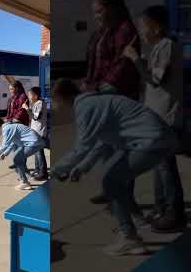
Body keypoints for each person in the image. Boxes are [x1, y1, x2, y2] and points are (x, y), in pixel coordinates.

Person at [51, 79, 178, 256]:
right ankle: (137, 221)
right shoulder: (93, 103)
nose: (55, 107)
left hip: (150, 141)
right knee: (114, 178)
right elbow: (101, 143)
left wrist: (55, 170)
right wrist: (82, 167)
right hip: (151, 139)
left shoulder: (85, 107)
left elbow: (82, 148)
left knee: (111, 181)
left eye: (54, 102)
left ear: (62, 98)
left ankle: (130, 238)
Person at [123, 6, 186, 233]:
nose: (141, 31)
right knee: (160, 168)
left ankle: (174, 213)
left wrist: (135, 59)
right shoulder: (159, 47)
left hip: (167, 118)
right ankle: (161, 208)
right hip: (157, 118)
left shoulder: (167, 46)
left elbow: (156, 79)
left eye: (144, 26)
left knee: (166, 169)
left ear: (157, 27)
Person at [82, 0, 142, 206]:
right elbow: (93, 63)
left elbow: (122, 66)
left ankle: (126, 200)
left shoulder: (126, 30)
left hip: (118, 100)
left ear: (114, 8)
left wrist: (100, 90)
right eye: (95, 13)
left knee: (121, 153)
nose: (97, 16)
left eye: (100, 12)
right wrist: (87, 84)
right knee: (105, 149)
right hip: (100, 98)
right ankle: (110, 190)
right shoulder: (101, 32)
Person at [0, 117, 45, 191]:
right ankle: (24, 178)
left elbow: (4, 145)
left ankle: (24, 182)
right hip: (31, 142)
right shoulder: (9, 126)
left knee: (17, 159)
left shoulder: (7, 128)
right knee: (17, 159)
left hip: (33, 143)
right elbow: (12, 143)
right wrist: (5, 153)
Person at [22, 87, 48, 180]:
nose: (28, 96)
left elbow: (36, 117)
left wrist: (26, 108)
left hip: (39, 131)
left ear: (36, 96)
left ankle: (43, 173)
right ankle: (38, 170)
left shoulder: (40, 103)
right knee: (37, 152)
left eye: (30, 95)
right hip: (35, 131)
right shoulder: (35, 103)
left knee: (39, 153)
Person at [6, 80, 30, 170]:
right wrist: (8, 119)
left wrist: (14, 119)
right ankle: (16, 162)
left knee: (21, 146)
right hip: (12, 123)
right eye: (10, 89)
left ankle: (23, 165)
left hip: (20, 124)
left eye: (12, 89)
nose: (10, 90)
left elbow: (22, 111)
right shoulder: (12, 98)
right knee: (14, 145)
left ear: (17, 88)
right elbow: (9, 111)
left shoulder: (23, 97)